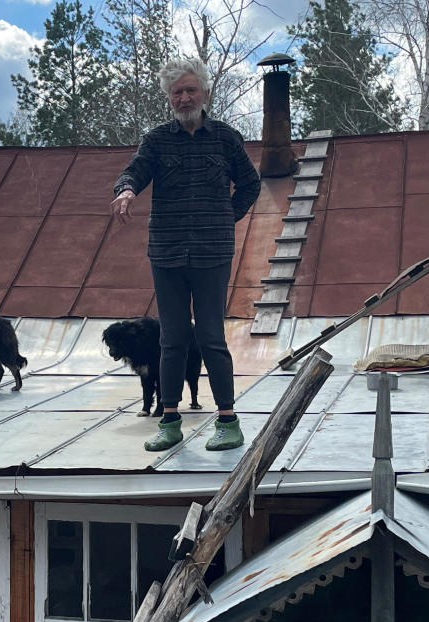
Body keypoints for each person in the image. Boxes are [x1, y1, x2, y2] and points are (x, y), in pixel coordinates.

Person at [111, 57, 260, 452]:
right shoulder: (157, 140)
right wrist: (126, 190)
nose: (184, 97)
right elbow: (135, 171)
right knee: (172, 340)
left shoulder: (226, 138)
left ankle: (228, 421)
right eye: (177, 92)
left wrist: (228, 216)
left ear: (206, 92)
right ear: (169, 98)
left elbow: (250, 183)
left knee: (211, 337)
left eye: (190, 89)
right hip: (166, 251)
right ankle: (170, 420)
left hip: (213, 251)